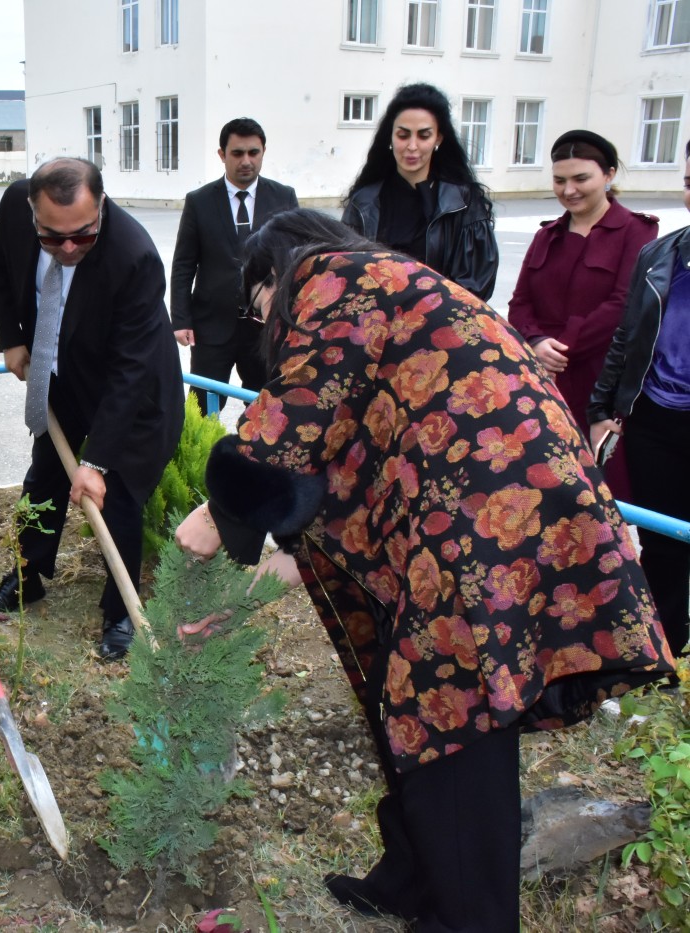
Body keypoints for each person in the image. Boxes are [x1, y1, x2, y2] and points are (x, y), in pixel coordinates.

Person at [175, 209, 672, 932]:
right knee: (400, 691)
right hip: (501, 506)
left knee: (450, 713)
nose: (268, 334)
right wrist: (242, 595)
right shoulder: (389, 292)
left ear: (273, 276)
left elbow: (292, 422)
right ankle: (413, 875)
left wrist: (217, 510)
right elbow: (325, 487)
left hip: (492, 522)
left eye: (261, 311)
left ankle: (472, 915)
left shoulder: (330, 279)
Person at [0, 157, 184, 661]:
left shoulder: (134, 256)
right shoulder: (13, 207)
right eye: (52, 237)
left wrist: (96, 463)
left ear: (102, 207)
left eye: (83, 235)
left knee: (117, 498)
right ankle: (28, 577)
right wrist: (12, 339)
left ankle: (120, 613)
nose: (68, 248)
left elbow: (131, 371)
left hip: (135, 394)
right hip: (62, 372)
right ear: (32, 213)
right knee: (44, 477)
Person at [508, 129, 659, 499]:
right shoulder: (547, 236)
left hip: (601, 381)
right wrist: (535, 342)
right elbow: (520, 302)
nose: (569, 190)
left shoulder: (636, 232)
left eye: (581, 178)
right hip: (542, 377)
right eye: (559, 180)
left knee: (603, 489)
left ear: (608, 175)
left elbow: (624, 304)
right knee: (540, 484)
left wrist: (561, 348)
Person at [589, 139, 690, 660]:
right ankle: (665, 651)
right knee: (664, 544)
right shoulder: (661, 255)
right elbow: (627, 338)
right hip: (656, 421)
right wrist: (604, 410)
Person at [171, 117, 298, 412]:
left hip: (265, 327)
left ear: (263, 152)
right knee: (202, 408)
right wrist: (181, 319)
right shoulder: (199, 201)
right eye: (237, 153)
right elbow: (183, 265)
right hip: (211, 327)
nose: (246, 161)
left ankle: (253, 459)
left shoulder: (284, 197)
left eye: (253, 153)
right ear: (222, 155)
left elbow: (296, 260)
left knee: (266, 408)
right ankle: (203, 459)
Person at [340, 82, 498, 300]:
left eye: (423, 136)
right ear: (390, 137)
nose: (412, 146)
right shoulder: (363, 202)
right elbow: (346, 274)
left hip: (442, 325)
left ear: (438, 139)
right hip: (376, 324)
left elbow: (474, 287)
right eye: (403, 135)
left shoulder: (463, 202)